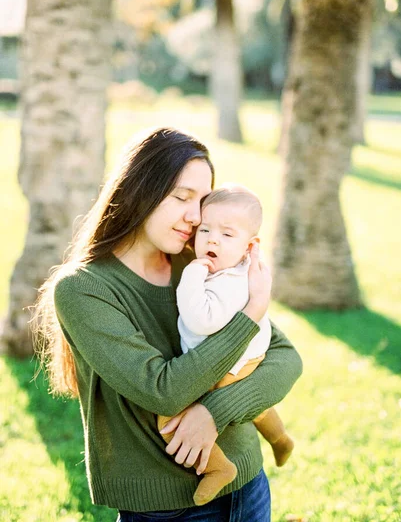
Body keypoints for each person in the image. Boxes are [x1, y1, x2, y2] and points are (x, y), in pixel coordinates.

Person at [33, 127, 303, 522]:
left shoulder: (199, 261)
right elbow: (164, 392)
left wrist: (214, 412)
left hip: (248, 484)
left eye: (203, 201)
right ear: (140, 189)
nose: (196, 218)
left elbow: (284, 358)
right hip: (167, 508)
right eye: (182, 197)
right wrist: (253, 309)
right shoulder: (84, 290)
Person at [158, 186, 294, 507]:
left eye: (227, 234)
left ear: (250, 246)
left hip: (230, 364)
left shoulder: (229, 284)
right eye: (205, 229)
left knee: (167, 418)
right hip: (246, 359)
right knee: (257, 408)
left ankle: (219, 468)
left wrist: (192, 274)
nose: (212, 240)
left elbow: (201, 320)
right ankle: (281, 439)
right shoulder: (240, 272)